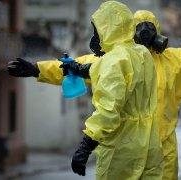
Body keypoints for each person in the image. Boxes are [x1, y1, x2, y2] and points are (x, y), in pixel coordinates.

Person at [7, 9, 181, 180]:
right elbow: (73, 66)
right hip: (124, 153)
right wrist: (36, 69)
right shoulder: (118, 60)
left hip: (160, 155)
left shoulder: (177, 61)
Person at [9, 2, 164, 179]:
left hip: (122, 151)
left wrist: (85, 146)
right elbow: (115, 73)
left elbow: (108, 111)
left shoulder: (112, 62)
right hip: (150, 145)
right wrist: (45, 69)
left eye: (97, 30)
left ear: (108, 28)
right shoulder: (142, 54)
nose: (96, 36)